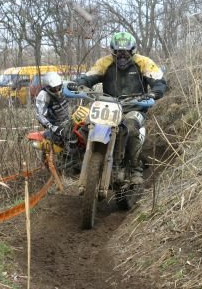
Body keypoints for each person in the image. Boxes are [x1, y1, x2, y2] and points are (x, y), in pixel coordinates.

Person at [68, 32, 167, 184]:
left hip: (135, 107)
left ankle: (135, 168)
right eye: (118, 52)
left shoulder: (143, 62)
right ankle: (85, 160)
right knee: (85, 125)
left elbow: (159, 80)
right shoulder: (105, 62)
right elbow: (89, 76)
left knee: (130, 127)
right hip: (109, 106)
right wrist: (77, 83)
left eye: (125, 52)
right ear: (113, 51)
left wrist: (154, 93)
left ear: (132, 51)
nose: (122, 56)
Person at [35, 71, 71, 147]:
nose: (57, 91)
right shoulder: (43, 95)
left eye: (58, 87)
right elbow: (39, 115)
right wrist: (53, 127)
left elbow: (80, 86)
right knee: (63, 143)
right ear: (48, 88)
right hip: (55, 125)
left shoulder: (66, 87)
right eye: (54, 89)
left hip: (69, 121)